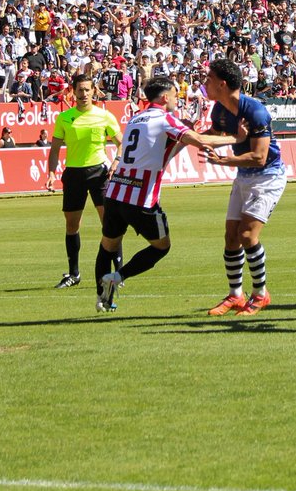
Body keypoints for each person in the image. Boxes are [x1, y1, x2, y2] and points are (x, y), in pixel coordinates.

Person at [96, 77, 243, 311]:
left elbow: (164, 148)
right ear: (165, 97)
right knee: (161, 247)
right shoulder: (165, 119)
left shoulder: (136, 118)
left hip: (116, 193)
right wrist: (236, 138)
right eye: (175, 94)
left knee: (108, 246)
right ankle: (118, 277)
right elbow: (202, 142)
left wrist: (185, 135)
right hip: (141, 198)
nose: (177, 98)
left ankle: (103, 300)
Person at [203, 58, 286, 316]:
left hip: (267, 176)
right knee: (231, 238)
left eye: (209, 78)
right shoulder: (219, 109)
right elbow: (215, 136)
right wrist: (185, 134)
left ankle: (261, 294)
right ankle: (236, 295)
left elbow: (260, 156)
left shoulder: (255, 111)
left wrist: (225, 160)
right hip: (243, 175)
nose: (205, 82)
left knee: (248, 236)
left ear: (222, 84)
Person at [44, 74, 123, 288]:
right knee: (72, 225)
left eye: (88, 90)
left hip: (99, 173)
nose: (84, 94)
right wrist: (51, 173)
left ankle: (118, 272)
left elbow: (121, 144)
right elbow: (54, 150)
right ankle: (74, 274)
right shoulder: (64, 117)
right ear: (73, 91)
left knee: (109, 224)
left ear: (93, 91)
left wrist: (116, 160)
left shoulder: (104, 116)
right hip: (73, 174)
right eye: (80, 90)